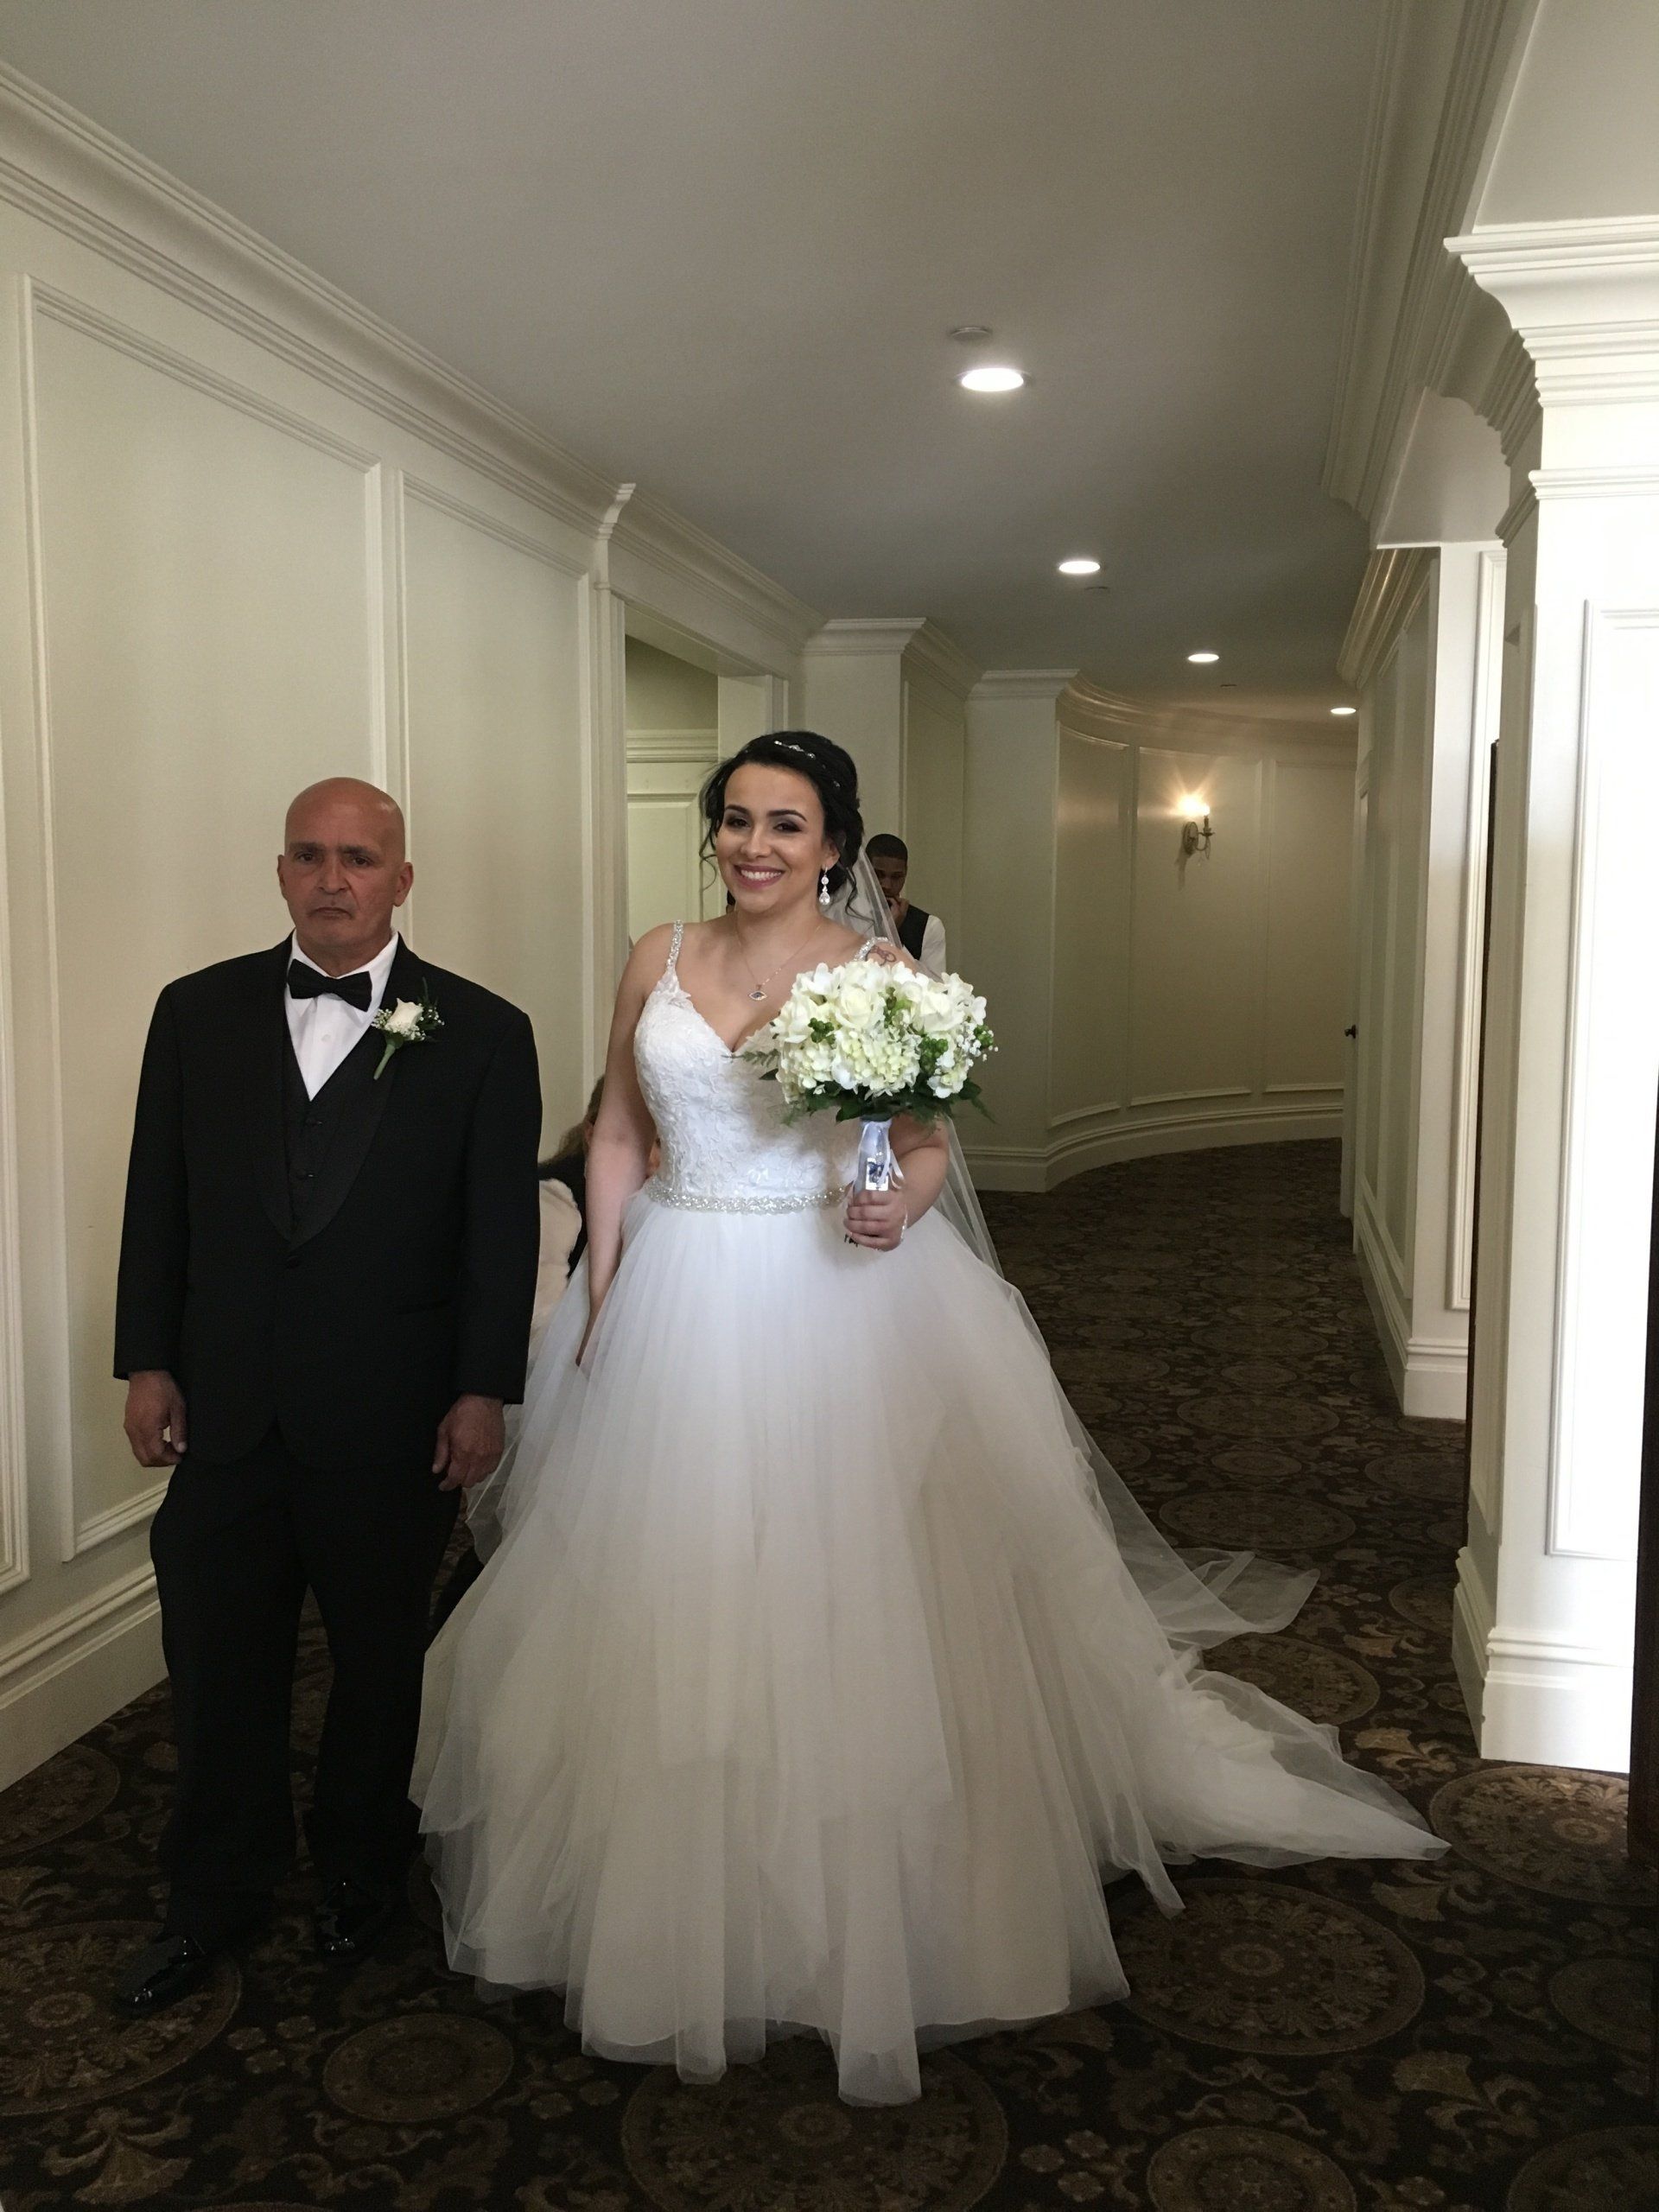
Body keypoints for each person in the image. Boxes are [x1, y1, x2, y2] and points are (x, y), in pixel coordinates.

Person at [414, 731, 1442, 2107]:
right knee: (672, 1585)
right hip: (671, 1288)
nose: (754, 845)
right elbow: (616, 1126)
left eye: (785, 825)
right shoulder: (656, 954)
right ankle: (673, 1893)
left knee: (853, 1592)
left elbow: (928, 1132)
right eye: (734, 821)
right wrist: (603, 1288)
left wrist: (898, 1195)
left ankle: (871, 1917)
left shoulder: (882, 974)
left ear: (835, 843)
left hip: (833, 1291)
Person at [111, 778, 542, 2016]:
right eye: (309, 856)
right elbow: (158, 1199)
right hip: (226, 1412)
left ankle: (360, 1867)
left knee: (376, 1663)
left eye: (359, 857)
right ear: (282, 871)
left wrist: (481, 1390)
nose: (332, 879)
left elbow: (494, 1238)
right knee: (215, 1663)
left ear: (403, 878)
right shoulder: (195, 1013)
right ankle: (213, 1894)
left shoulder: (482, 1030)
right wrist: (149, 1358)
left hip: (394, 1412)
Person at [867, 831, 947, 973]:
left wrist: (894, 938)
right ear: (865, 870)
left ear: (905, 873)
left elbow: (937, 988)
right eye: (878, 875)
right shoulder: (845, 914)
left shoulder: (929, 926)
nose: (887, 885)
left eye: (896, 877)